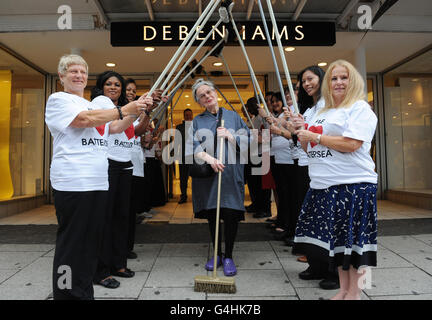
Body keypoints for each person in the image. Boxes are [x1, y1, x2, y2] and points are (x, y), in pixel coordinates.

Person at [45, 54, 151, 299]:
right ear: (61, 76)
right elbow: (84, 121)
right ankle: (66, 294)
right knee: (72, 245)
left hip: (98, 182)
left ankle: (83, 291)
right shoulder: (59, 99)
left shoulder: (92, 105)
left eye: (83, 71)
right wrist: (124, 109)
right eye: (73, 71)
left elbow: (114, 127)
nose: (79, 75)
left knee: (90, 243)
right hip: (73, 182)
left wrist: (140, 107)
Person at [293, 60, 378, 300]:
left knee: (359, 248)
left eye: (344, 77)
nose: (339, 82)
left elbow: (352, 144)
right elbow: (310, 150)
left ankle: (357, 294)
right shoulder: (322, 111)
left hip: (353, 186)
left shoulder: (359, 108)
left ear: (353, 81)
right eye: (334, 78)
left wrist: (315, 137)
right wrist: (303, 133)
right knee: (339, 246)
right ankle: (343, 291)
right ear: (327, 83)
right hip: (323, 187)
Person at [91, 71, 153, 288]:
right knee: (105, 218)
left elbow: (135, 131)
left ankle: (118, 264)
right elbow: (115, 126)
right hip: (108, 165)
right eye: (109, 83)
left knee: (121, 218)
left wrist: (144, 111)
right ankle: (101, 271)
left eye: (117, 84)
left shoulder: (125, 107)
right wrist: (136, 107)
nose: (114, 87)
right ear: (101, 86)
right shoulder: (101, 102)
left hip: (126, 166)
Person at [187, 78, 250, 277]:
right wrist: (209, 158)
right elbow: (192, 146)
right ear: (199, 102)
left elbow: (250, 141)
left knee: (231, 214)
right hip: (210, 175)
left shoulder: (233, 116)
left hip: (231, 173)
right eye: (201, 96)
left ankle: (229, 255)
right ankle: (216, 254)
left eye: (208, 92)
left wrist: (231, 136)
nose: (207, 96)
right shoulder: (198, 121)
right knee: (213, 214)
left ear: (216, 93)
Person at [245, 97, 272, 219]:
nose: (250, 109)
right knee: (254, 183)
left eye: (251, 106)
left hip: (263, 154)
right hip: (255, 154)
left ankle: (265, 209)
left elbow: (266, 138)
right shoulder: (254, 119)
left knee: (263, 185)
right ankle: (257, 204)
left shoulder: (264, 118)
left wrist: (253, 136)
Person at [176, 108, 194, 204]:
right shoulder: (179, 127)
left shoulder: (196, 127)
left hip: (195, 157)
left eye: (189, 115)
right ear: (184, 116)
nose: (188, 116)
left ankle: (196, 196)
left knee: (196, 177)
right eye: (186, 115)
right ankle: (183, 196)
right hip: (183, 156)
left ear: (192, 116)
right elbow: (177, 142)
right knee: (183, 178)